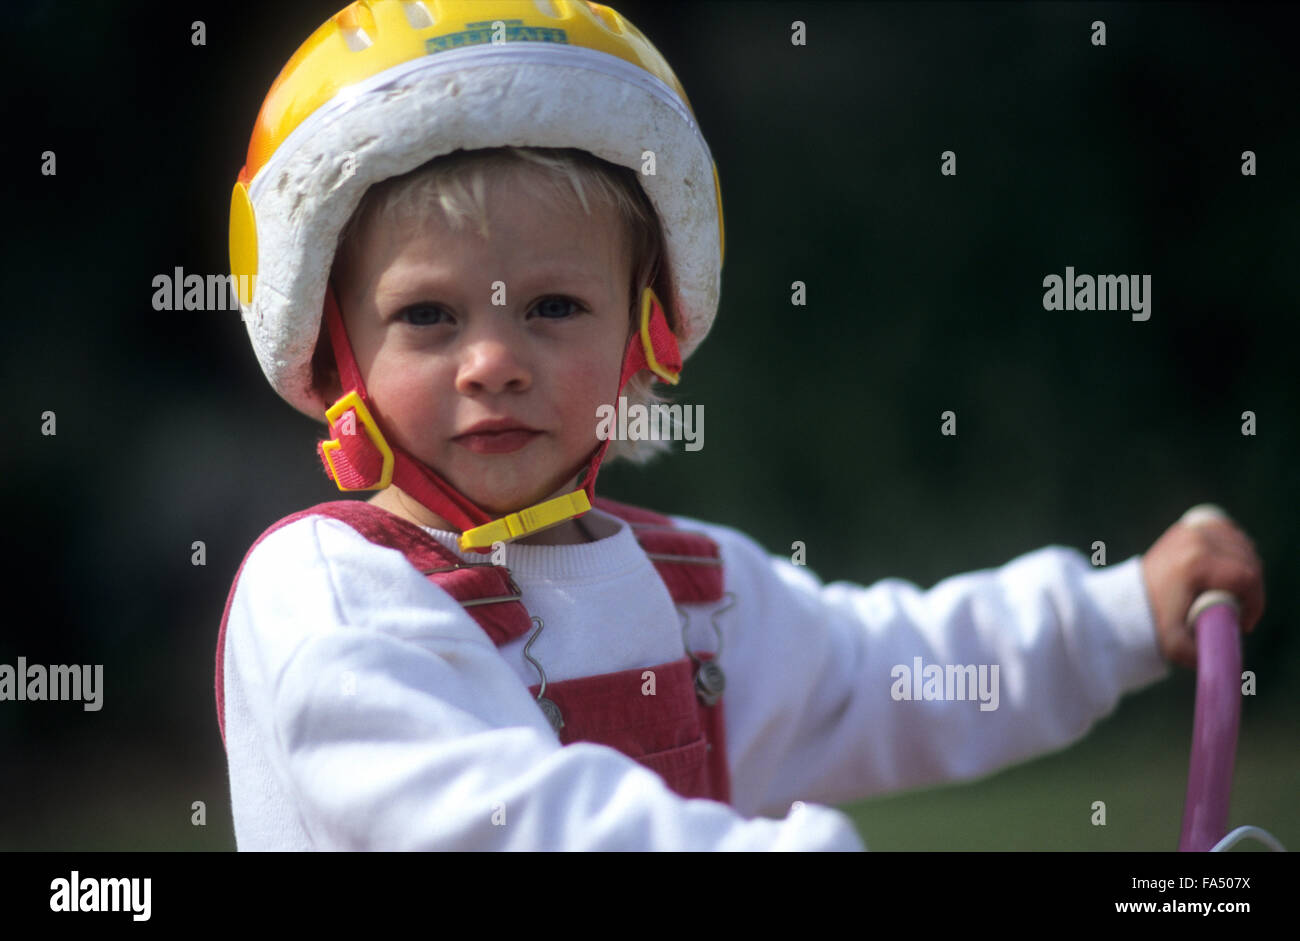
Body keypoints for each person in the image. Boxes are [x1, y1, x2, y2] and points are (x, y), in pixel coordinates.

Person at [216, 0, 1266, 850]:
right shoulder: (328, 594)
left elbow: (881, 672)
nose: (492, 360)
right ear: (334, 350)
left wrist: (1116, 615)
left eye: (552, 307)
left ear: (644, 335)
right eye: (427, 316)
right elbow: (490, 812)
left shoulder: (694, 594)